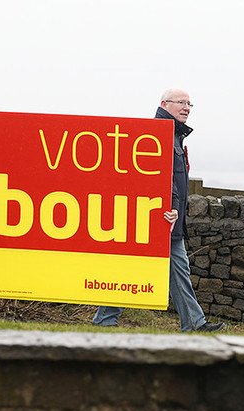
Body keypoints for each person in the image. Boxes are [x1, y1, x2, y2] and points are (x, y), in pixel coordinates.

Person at [92, 89, 224, 332]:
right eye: (181, 103)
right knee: (135, 268)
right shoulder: (158, 134)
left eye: (189, 104)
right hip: (157, 216)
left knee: (176, 269)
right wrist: (172, 207)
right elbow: (162, 179)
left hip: (168, 219)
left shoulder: (174, 136)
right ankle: (105, 319)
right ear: (164, 104)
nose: (186, 107)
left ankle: (193, 323)